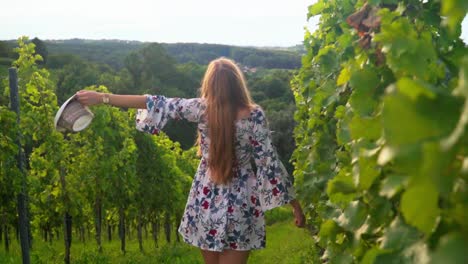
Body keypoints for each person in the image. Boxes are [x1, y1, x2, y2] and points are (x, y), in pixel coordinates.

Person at [76, 57, 305, 264]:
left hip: (205, 196)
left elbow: (152, 102)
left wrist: (102, 98)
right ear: (238, 84)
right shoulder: (254, 115)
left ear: (210, 84)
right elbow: (269, 163)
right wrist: (295, 206)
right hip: (241, 201)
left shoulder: (200, 109)